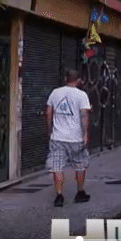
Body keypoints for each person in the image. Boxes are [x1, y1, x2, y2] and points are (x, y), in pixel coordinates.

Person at [45, 69, 92, 207]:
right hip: (75, 138)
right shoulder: (82, 95)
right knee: (80, 165)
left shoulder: (55, 93)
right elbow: (84, 116)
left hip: (58, 137)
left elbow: (49, 113)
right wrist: (85, 134)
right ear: (78, 80)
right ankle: (80, 192)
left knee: (57, 167)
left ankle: (59, 195)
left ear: (66, 79)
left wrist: (49, 130)